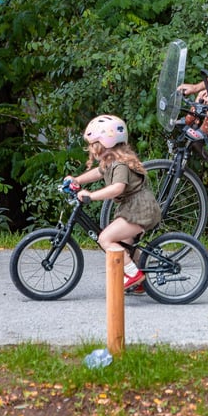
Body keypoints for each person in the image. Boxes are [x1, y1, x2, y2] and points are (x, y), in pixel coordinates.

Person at [64, 115, 162, 291]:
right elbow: (98, 173)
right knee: (124, 245)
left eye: (93, 145)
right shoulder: (110, 161)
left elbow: (117, 188)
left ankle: (133, 274)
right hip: (133, 208)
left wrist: (91, 196)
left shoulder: (120, 164)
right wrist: (77, 180)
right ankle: (140, 283)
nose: (92, 150)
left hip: (139, 210)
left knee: (105, 239)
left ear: (104, 144)